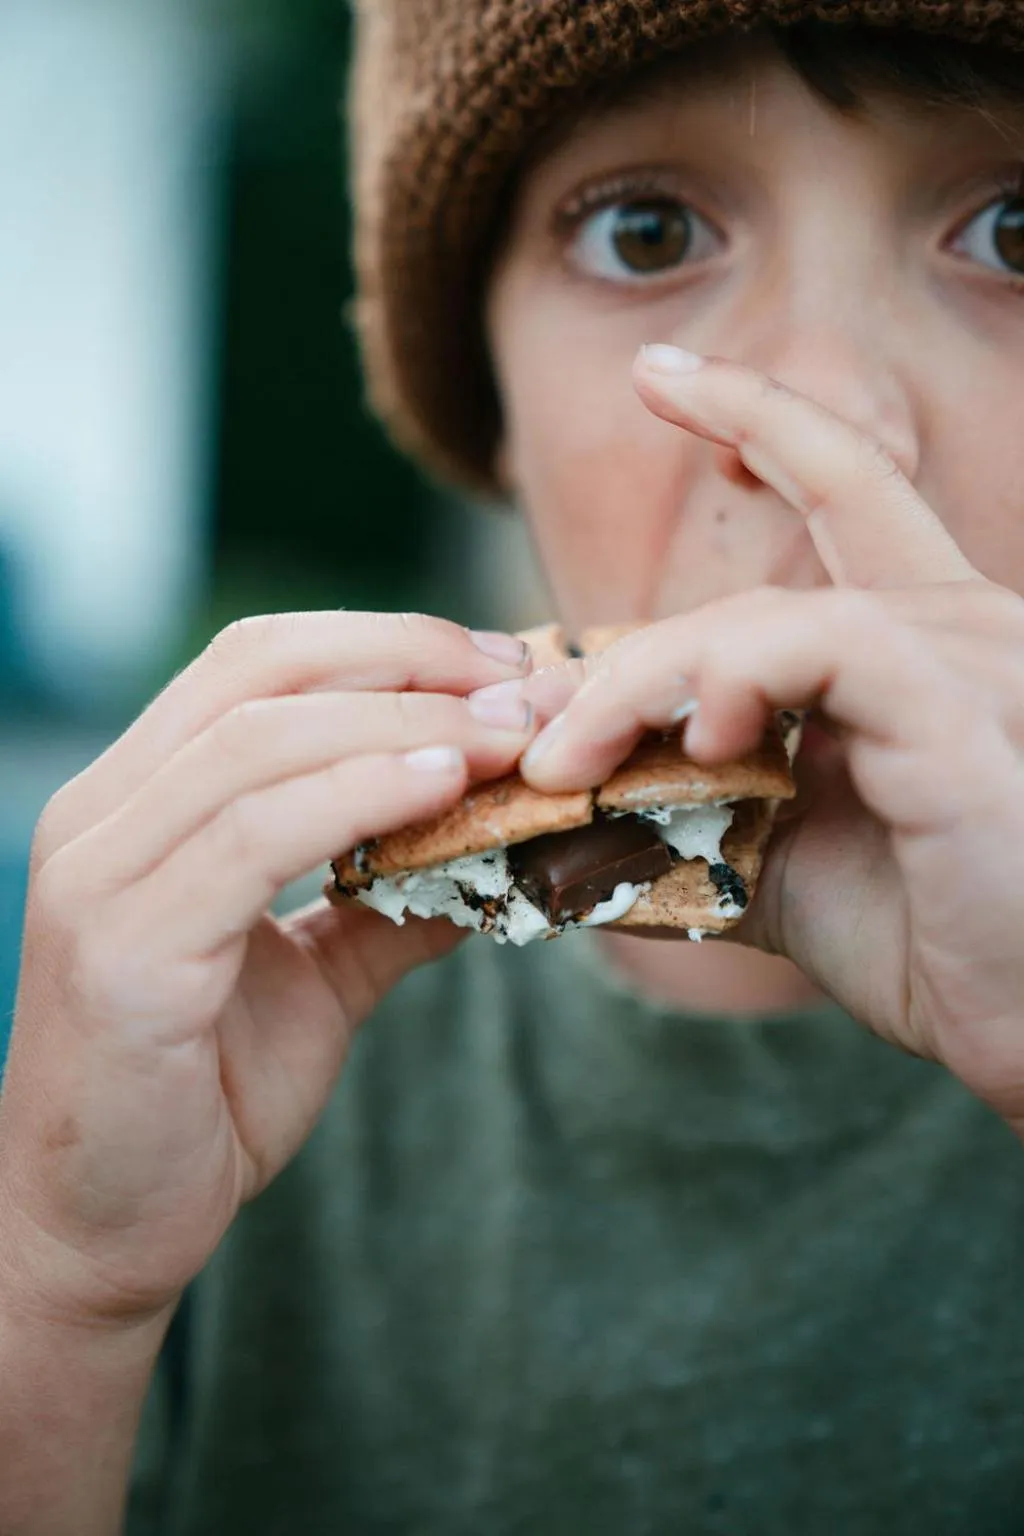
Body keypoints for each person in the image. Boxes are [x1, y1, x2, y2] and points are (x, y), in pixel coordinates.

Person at [2, 3, 1024, 1531]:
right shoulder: (198, 1026)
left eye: (1013, 231)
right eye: (649, 230)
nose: (832, 417)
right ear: (486, 401)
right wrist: (64, 1296)